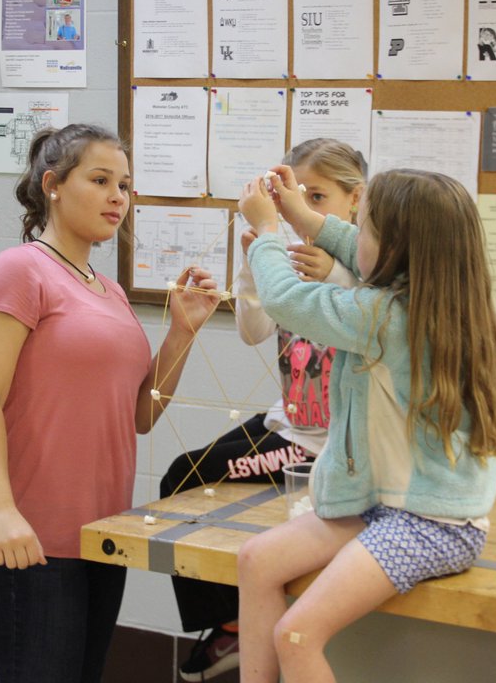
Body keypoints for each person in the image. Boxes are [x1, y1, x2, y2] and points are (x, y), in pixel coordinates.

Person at [0, 124, 221, 683]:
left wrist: (181, 334)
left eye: (124, 186)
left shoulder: (110, 289)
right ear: (52, 184)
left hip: (99, 536)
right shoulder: (19, 270)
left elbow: (139, 418)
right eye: (100, 180)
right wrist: (1, 511)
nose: (116, 198)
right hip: (27, 540)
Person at [235, 167, 496, 682]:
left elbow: (284, 302)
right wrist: (302, 215)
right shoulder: (435, 298)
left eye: (363, 227)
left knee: (297, 635)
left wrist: (269, 234)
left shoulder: (384, 315)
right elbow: (359, 250)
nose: (353, 235)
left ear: (395, 249)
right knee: (256, 560)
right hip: (384, 506)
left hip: (432, 524)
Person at [165, 139, 367, 682]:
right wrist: (256, 263)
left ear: (356, 200)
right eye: (293, 195)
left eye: (318, 196)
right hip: (287, 421)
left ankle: (230, 629)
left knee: (194, 476)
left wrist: (328, 270)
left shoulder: (365, 266)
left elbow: (365, 309)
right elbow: (255, 330)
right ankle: (227, 624)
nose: (302, 207)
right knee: (179, 472)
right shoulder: (278, 252)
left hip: (322, 443)